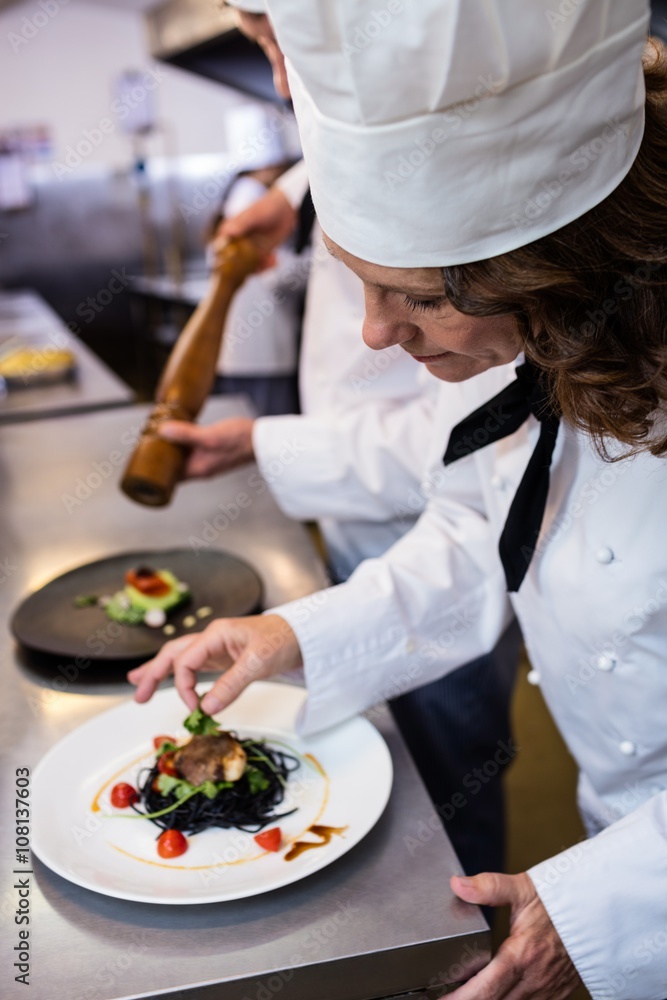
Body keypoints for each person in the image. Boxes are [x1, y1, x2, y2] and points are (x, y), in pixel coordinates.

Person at [129, 2, 667, 996]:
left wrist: (622, 899)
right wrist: (291, 635)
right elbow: (480, 535)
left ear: (547, 271)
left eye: (416, 297)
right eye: (361, 287)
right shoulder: (551, 365)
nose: (376, 334)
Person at [155, 0, 521, 878]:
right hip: (395, 521)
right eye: (257, 44)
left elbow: (450, 464)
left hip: (402, 506)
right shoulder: (343, 139)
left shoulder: (476, 168)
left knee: (446, 804)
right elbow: (484, 518)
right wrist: (290, 195)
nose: (281, 78)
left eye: (286, 39)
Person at [209, 104, 303, 416]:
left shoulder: (236, 194)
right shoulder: (252, 197)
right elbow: (274, 272)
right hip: (263, 347)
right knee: (267, 434)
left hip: (245, 350)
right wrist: (317, 266)